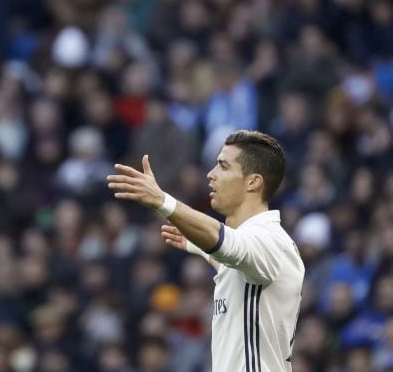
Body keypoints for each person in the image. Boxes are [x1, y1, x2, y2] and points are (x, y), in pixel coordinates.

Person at [107, 130, 305, 372]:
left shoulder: (270, 239)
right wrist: (201, 248)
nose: (211, 175)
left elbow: (228, 244)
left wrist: (163, 201)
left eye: (223, 166)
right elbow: (239, 269)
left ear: (253, 181)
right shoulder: (258, 249)